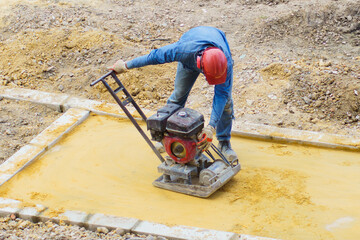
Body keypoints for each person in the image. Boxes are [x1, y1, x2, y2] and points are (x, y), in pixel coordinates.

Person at [109, 26, 237, 161]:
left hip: (214, 41)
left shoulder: (225, 63)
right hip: (191, 51)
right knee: (178, 97)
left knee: (226, 103)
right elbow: (154, 56)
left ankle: (224, 143)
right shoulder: (182, 51)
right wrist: (126, 65)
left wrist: (211, 127)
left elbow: (221, 95)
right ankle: (167, 138)